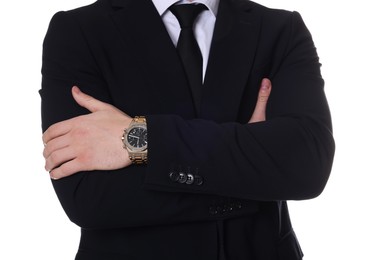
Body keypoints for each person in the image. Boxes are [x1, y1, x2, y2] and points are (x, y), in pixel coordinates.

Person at [40, 0, 335, 259]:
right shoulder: (77, 31)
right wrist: (250, 170)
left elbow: (307, 164)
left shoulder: (281, 29)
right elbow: (88, 199)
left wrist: (141, 139)